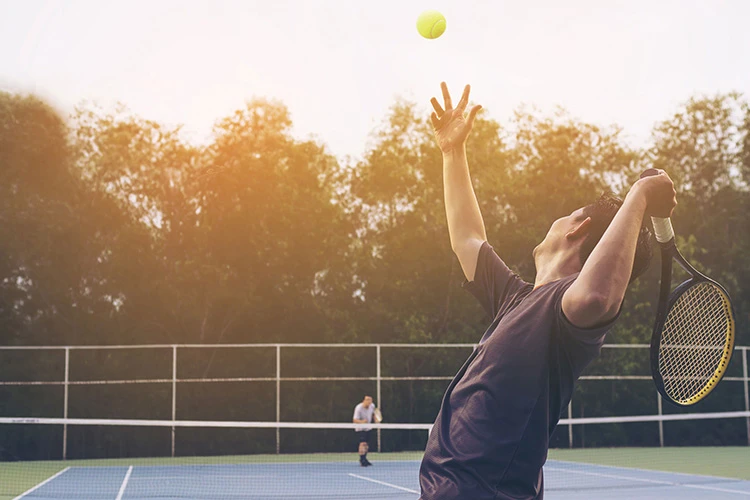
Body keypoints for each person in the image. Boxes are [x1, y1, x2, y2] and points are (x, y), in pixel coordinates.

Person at [418, 83, 676, 500]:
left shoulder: (565, 311)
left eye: (567, 214)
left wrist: (640, 196)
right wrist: (452, 152)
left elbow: (597, 296)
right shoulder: (515, 299)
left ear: (578, 229)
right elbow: (466, 238)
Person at [353, 395, 376, 466]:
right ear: (364, 401)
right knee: (362, 443)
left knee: (366, 445)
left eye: (370, 401)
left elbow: (373, 414)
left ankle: (365, 459)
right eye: (367, 401)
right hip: (360, 428)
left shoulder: (372, 406)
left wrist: (376, 419)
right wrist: (362, 422)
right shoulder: (358, 408)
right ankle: (362, 460)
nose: (369, 403)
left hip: (368, 427)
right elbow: (354, 420)